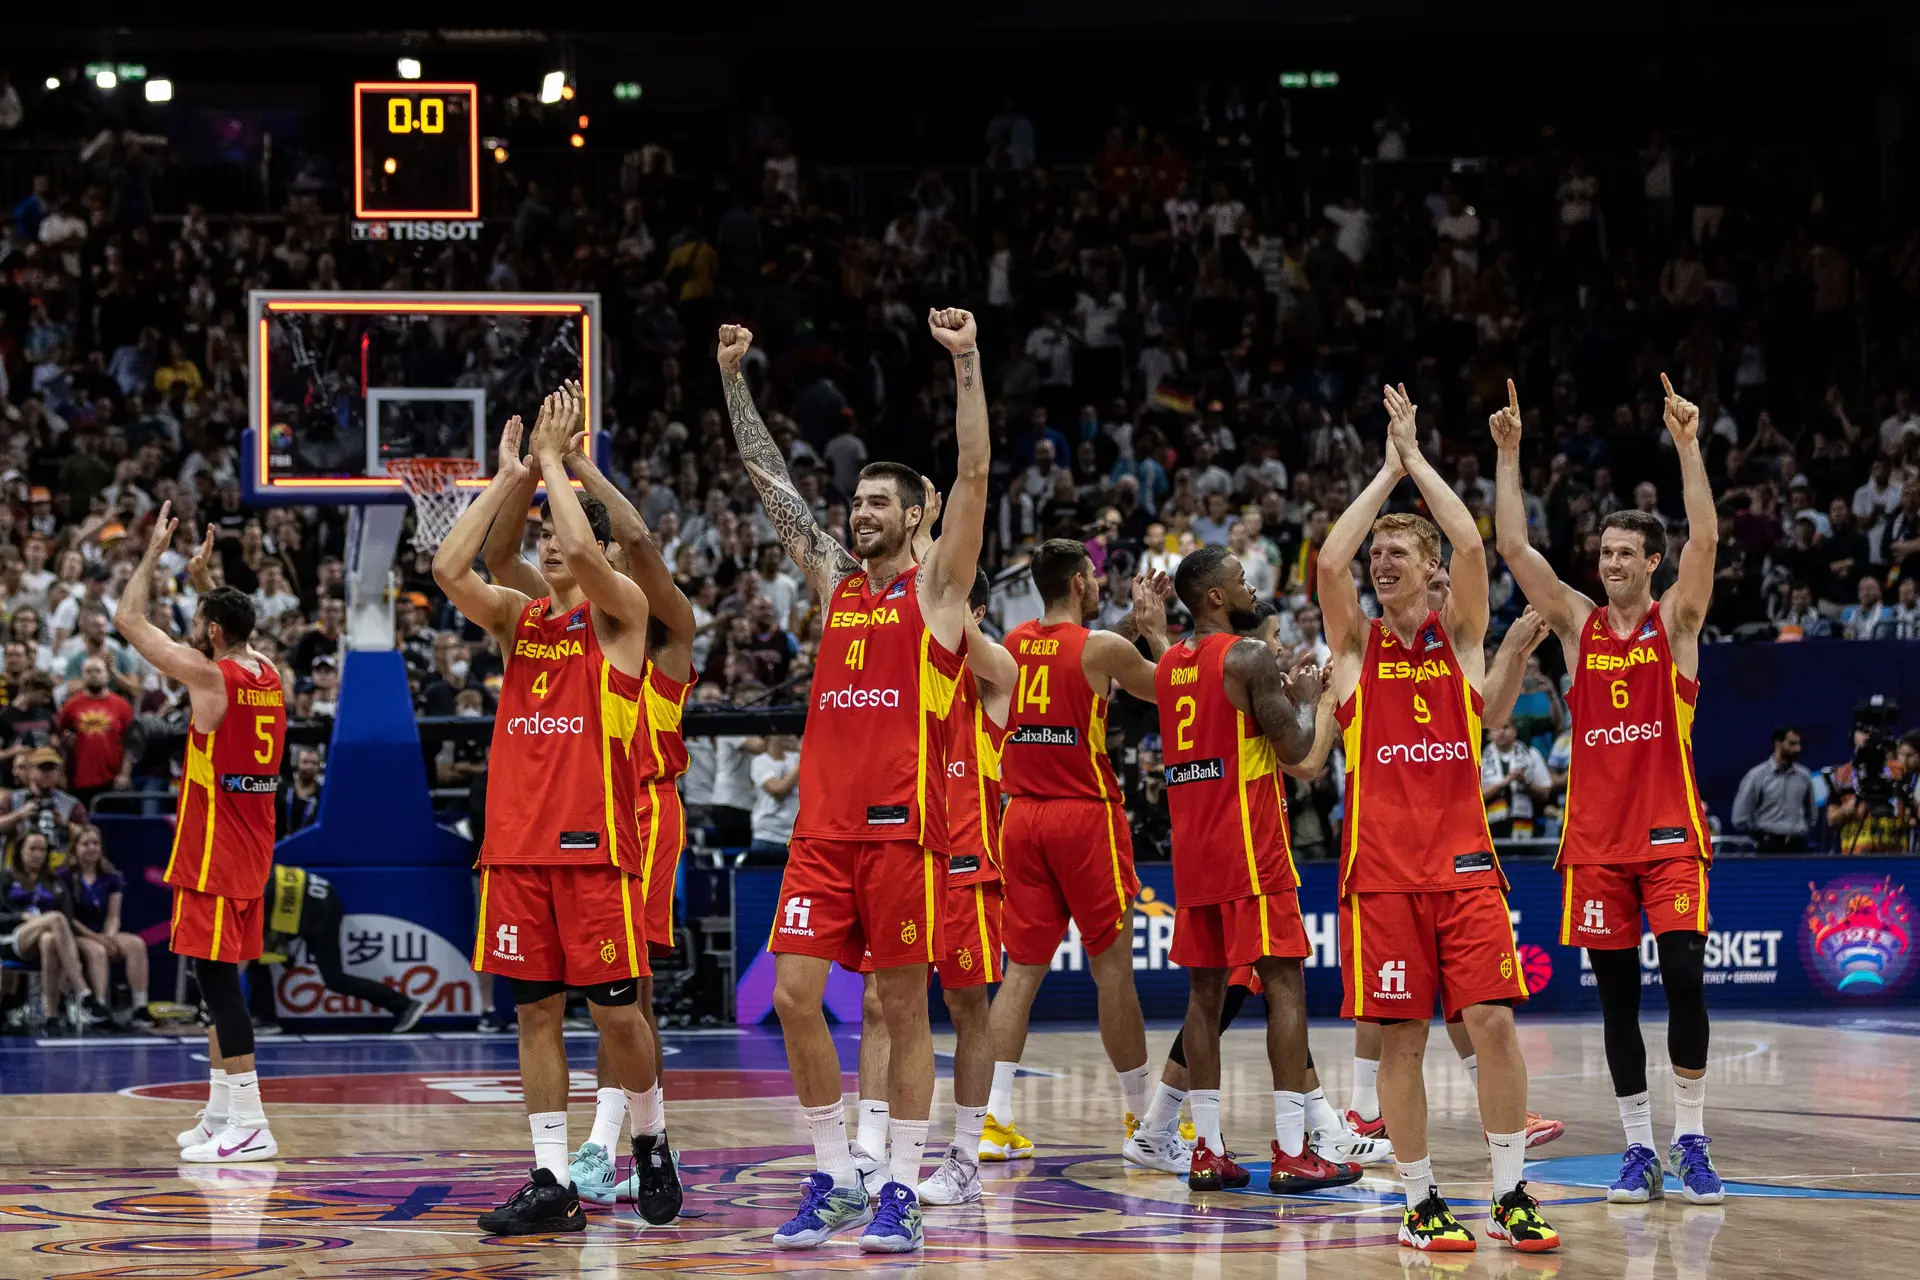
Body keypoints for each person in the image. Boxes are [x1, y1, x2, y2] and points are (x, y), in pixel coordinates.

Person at [721, 310, 989, 1256]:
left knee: (904, 1008)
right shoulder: (839, 585)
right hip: (822, 830)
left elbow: (975, 475)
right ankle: (835, 1173)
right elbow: (772, 490)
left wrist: (964, 363)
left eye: (880, 502)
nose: (859, 511)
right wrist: (734, 382)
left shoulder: (940, 594)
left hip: (904, 833)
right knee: (797, 998)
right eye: (858, 501)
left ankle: (903, 1189)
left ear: (915, 516)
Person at [431, 387, 679, 1235]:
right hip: (514, 848)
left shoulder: (624, 618)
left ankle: (649, 1137)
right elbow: (448, 568)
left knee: (617, 1013)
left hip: (593, 845)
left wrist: (554, 464)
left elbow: (579, 537)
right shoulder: (519, 620)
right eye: (540, 537)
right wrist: (506, 479)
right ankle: (549, 1179)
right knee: (535, 1014)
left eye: (557, 538)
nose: (549, 545)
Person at [1320, 383, 1556, 1253]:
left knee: (1491, 1023)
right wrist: (1384, 476)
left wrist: (1419, 460)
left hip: (1463, 869)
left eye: (1396, 555)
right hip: (1381, 874)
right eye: (1377, 555)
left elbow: (1467, 539)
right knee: (1405, 1044)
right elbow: (1325, 565)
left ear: (1426, 571)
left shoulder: (1461, 640)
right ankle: (1420, 1202)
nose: (1380, 562)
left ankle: (1508, 1193)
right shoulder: (1354, 650)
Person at [1493, 374, 1723, 1209]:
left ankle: (1692, 1139)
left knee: (1688, 984)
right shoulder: (1576, 627)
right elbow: (1517, 550)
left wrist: (1688, 446)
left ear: (1652, 564)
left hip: (1668, 839)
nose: (1611, 561)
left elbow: (1705, 539)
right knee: (1618, 1003)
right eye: (1605, 552)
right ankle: (1639, 1150)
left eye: (1626, 552)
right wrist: (1508, 454)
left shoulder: (1675, 626)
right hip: (1594, 846)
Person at [1149, 544, 1357, 1194]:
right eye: (1239, 578)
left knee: (1204, 999)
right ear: (1215, 596)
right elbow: (1303, 756)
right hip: (1250, 851)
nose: (1249, 585)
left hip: (1193, 857)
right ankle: (1295, 1150)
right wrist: (1313, 703)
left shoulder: (1168, 668)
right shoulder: (1249, 657)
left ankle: (1208, 1150)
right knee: (1285, 989)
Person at [984, 538, 1169, 1168]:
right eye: (1093, 575)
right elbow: (1169, 692)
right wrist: (1155, 630)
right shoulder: (1103, 649)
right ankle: (1142, 1119)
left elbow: (1071, 654)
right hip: (1084, 816)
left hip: (1022, 817)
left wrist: (1127, 630)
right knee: (1113, 971)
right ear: (1079, 582)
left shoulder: (1012, 643)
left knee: (1021, 972)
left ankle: (994, 1117)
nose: (1099, 582)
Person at [116, 502, 285, 1163]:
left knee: (217, 984)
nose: (190, 634)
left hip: (216, 851)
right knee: (221, 980)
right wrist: (203, 580)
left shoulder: (209, 676)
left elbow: (130, 622)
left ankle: (251, 1119)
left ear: (211, 633)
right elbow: (231, 631)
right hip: (252, 846)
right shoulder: (267, 669)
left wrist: (153, 554)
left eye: (197, 626)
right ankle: (221, 1111)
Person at [244, 864, 426, 1034]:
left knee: (334, 979)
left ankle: (404, 1005)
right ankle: (266, 1019)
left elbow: (239, 961)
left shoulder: (243, 896)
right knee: (257, 961)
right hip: (303, 900)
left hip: (317, 909)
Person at [1, 830, 105, 1030]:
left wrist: (44, 923)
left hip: (44, 939)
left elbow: (67, 916)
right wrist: (21, 917)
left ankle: (51, 1017)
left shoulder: (53, 881)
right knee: (54, 918)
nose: (38, 854)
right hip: (10, 937)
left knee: (49, 939)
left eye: (42, 849)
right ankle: (83, 992)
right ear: (20, 851)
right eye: (32, 848)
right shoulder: (5, 878)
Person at [59, 825, 153, 1026]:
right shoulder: (64, 876)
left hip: (101, 932)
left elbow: (113, 915)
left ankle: (140, 1006)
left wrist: (109, 936)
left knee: (136, 944)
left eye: (95, 843)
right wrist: (96, 938)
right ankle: (99, 1007)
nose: (91, 848)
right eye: (85, 844)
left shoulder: (111, 877)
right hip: (75, 933)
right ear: (75, 848)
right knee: (97, 951)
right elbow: (67, 918)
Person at [56, 655, 135, 811]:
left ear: (107, 675)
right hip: (80, 778)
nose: (93, 675)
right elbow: (59, 737)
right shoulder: (71, 706)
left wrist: (125, 774)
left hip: (113, 779)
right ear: (82, 676)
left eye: (98, 671)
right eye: (88, 671)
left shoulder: (122, 706)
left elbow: (131, 744)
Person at [1730, 728, 1817, 852]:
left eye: (1799, 744)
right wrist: (1761, 834)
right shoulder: (1757, 776)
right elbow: (1739, 817)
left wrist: (1800, 829)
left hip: (1798, 846)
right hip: (1769, 846)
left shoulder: (1804, 776)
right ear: (1778, 743)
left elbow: (1812, 814)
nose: (1798, 749)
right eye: (1792, 744)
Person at [747, 735, 801, 859]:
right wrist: (800, 764)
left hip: (795, 837)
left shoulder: (795, 758)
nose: (789, 735)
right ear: (769, 737)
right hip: (768, 837)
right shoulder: (760, 761)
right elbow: (778, 792)